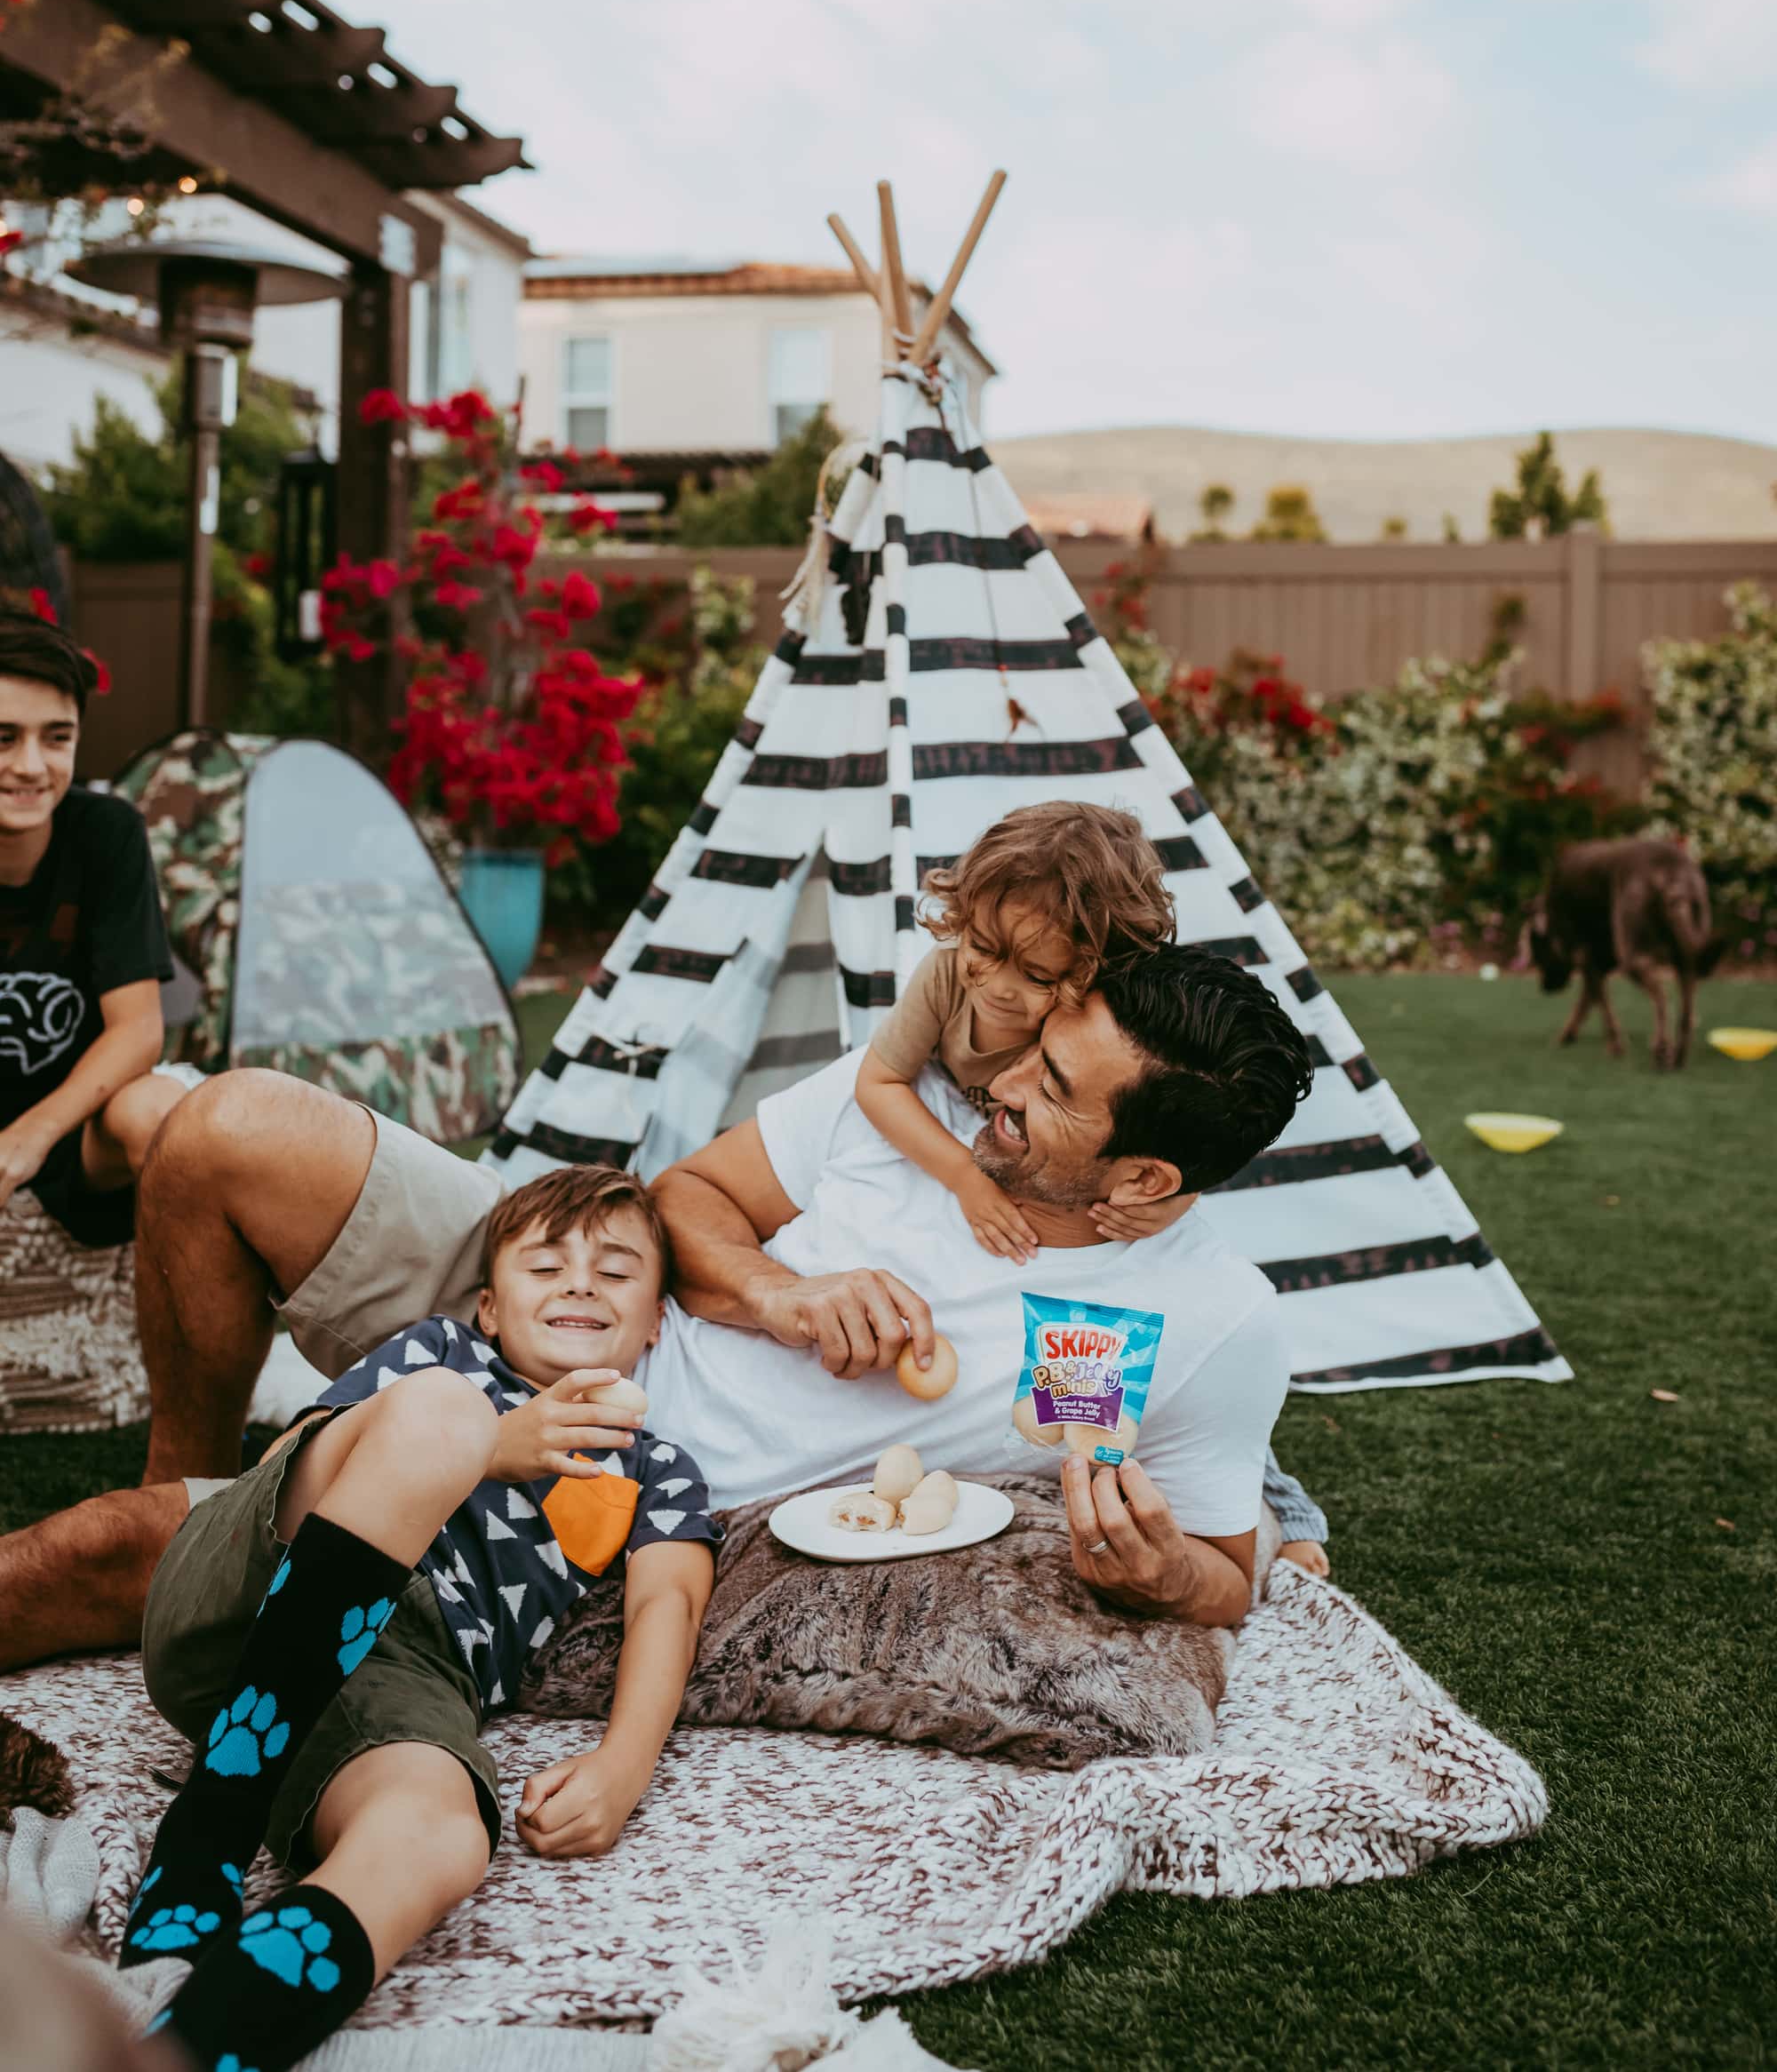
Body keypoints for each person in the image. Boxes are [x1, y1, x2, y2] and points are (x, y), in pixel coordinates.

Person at [0, 939, 1329, 1666]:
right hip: (592, 1284)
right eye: (1035, 1042)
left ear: (1145, 1177)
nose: (1003, 1077)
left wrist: (1158, 1573)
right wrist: (777, 1289)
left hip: (613, 1470)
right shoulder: (907, 1101)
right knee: (227, 1124)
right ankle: (202, 1471)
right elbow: (683, 1195)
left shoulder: (1209, 1322)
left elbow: (1230, 1570)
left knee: (105, 1551)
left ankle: (201, 1526)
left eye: (1052, 1086)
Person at [120, 1163, 718, 2072]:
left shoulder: (657, 1467)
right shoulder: (442, 1353)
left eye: (615, 1267)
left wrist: (621, 1765)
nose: (579, 1283)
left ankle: (200, 2042)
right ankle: (212, 1825)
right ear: (488, 1306)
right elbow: (286, 1467)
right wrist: (491, 1444)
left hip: (396, 1676)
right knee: (440, 1417)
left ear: (657, 1321)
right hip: (256, 1581)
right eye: (545, 1263)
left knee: (438, 1839)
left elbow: (666, 1600)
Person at [855, 801, 1175, 1260]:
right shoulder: (946, 974)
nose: (997, 987)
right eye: (982, 946)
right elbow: (878, 1082)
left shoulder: (1100, 1026)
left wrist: (1175, 1202)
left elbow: (1180, 1121)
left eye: (1039, 976)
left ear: (1099, 970)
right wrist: (964, 1176)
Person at [0, 614, 192, 1244]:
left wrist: (29, 1135)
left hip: (79, 1120)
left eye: (56, 738)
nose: (31, 765)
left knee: (164, 1113)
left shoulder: (106, 834)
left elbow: (137, 1029)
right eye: (3, 737)